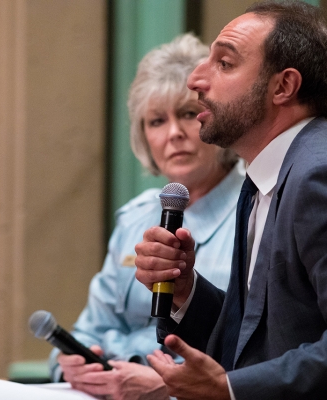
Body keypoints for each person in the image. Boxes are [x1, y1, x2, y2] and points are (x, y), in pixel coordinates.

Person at [134, 1, 327, 399]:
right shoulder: (261, 179)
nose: (196, 79)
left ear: (283, 86)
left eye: (224, 63)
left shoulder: (316, 175)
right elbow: (256, 341)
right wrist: (186, 292)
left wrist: (231, 389)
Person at [49, 33, 244, 400]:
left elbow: (257, 347)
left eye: (188, 114)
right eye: (156, 121)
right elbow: (90, 330)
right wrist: (72, 363)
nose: (174, 134)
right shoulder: (135, 218)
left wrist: (161, 380)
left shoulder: (258, 208)